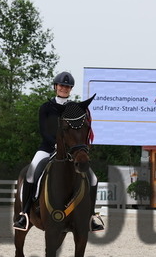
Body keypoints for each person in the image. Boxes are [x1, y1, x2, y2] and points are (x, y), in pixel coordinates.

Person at [13, 71, 104, 232]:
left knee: (93, 179)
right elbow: (44, 131)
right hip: (47, 148)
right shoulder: (46, 107)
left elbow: (79, 131)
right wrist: (56, 145)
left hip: (70, 151)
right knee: (30, 174)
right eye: (62, 85)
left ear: (71, 89)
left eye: (67, 87)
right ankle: (24, 214)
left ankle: (91, 216)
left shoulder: (75, 109)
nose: (64, 88)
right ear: (56, 86)